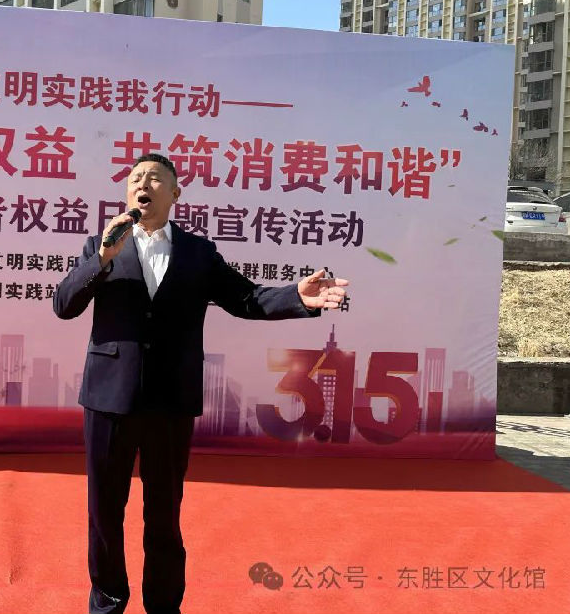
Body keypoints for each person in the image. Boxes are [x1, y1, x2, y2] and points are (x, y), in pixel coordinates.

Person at [52, 153, 349, 614]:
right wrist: (104, 258)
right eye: (135, 178)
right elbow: (64, 304)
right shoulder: (101, 244)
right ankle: (107, 602)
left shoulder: (198, 253)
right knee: (104, 513)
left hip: (171, 400)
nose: (142, 184)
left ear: (174, 194)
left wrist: (298, 297)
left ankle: (164, 605)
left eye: (154, 178)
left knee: (164, 515)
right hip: (109, 399)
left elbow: (246, 298)